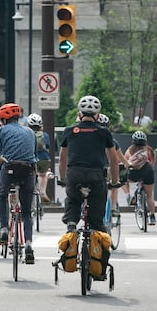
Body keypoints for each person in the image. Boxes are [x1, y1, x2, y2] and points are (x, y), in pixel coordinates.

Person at [58, 96, 120, 232]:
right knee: (96, 213)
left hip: (74, 174)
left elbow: (63, 158)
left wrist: (62, 179)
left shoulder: (69, 131)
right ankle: (96, 233)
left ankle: (71, 224)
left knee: (73, 200)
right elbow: (114, 161)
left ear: (79, 114)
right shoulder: (104, 132)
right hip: (96, 175)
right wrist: (115, 181)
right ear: (97, 116)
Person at [0, 103, 37, 264]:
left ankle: (3, 228)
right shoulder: (30, 132)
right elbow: (33, 153)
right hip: (27, 171)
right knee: (26, 212)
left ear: (3, 119)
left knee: (2, 195)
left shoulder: (0, 132)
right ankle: (29, 246)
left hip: (9, 169)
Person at [124, 130, 157, 225]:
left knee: (124, 179)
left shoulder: (129, 150)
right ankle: (152, 216)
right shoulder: (149, 150)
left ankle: (128, 194)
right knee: (150, 196)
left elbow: (126, 164)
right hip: (147, 171)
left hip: (133, 173)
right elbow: (152, 163)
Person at [26, 113, 51, 203]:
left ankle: (32, 190)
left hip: (30, 159)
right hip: (43, 159)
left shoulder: (26, 134)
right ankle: (43, 192)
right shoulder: (45, 135)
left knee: (31, 174)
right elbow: (47, 146)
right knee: (43, 175)